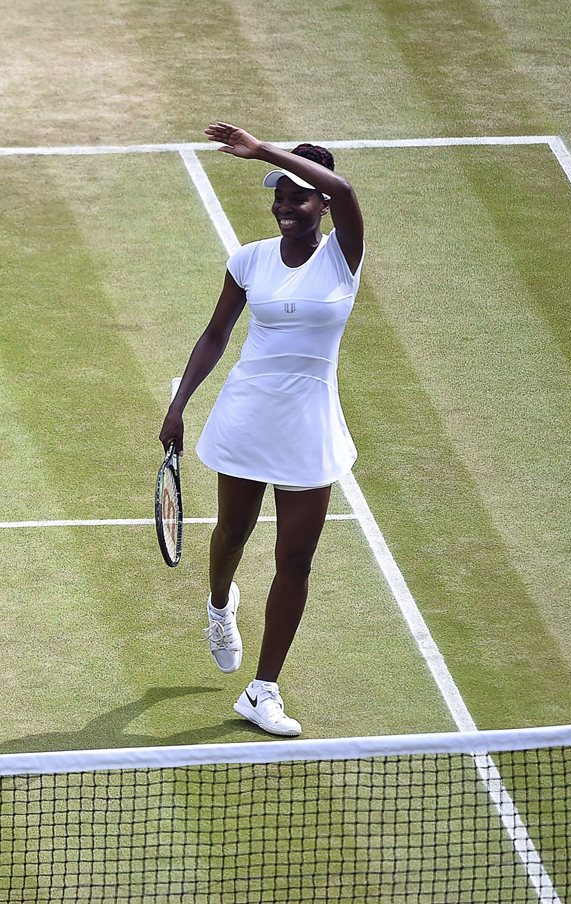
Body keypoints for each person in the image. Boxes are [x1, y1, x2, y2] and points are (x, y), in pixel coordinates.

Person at [160, 122, 365, 736]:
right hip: (249, 413)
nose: (284, 206)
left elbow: (349, 190)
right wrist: (179, 404)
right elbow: (217, 334)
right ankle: (220, 605)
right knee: (233, 532)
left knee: (295, 559)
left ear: (321, 205)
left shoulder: (343, 254)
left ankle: (262, 689)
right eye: (278, 195)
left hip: (309, 423)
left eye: (297, 196)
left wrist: (264, 150)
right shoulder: (249, 259)